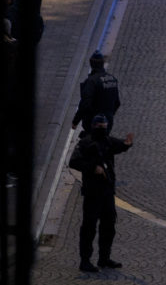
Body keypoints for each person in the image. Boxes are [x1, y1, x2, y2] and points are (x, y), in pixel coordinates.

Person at [68, 113, 134, 272]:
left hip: (107, 192)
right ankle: (85, 261)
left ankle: (104, 258)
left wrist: (127, 144)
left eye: (104, 127)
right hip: (92, 193)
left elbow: (119, 145)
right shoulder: (85, 143)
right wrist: (93, 168)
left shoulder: (107, 141)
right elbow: (74, 161)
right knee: (89, 227)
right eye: (100, 127)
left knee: (109, 226)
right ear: (93, 127)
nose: (102, 130)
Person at [72, 51, 121, 135]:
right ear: (102, 63)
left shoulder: (91, 81)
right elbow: (117, 102)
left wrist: (75, 121)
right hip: (108, 122)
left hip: (93, 122)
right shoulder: (112, 79)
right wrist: (108, 115)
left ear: (91, 64)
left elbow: (85, 104)